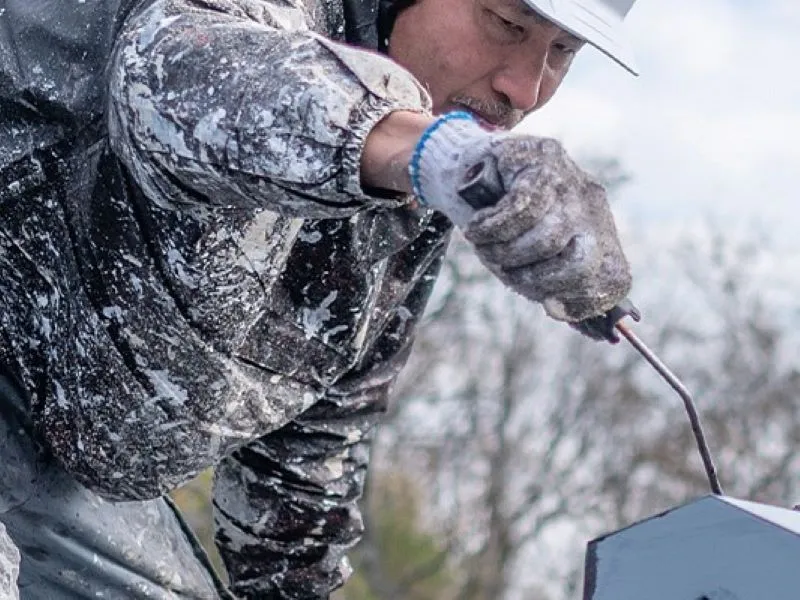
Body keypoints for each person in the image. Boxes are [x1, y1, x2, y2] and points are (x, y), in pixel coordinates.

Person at [0, 0, 638, 597]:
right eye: (506, 23)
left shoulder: (411, 193)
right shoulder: (287, 26)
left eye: (563, 51)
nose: (524, 90)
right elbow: (172, 77)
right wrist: (432, 152)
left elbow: (309, 447)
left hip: (64, 473)